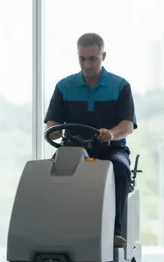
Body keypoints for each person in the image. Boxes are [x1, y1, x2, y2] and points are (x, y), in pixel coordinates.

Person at [45, 33, 137, 247]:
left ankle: (114, 231)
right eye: (82, 59)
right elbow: (52, 124)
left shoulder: (120, 86)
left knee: (120, 168)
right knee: (49, 172)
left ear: (103, 56)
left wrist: (111, 134)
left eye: (93, 59)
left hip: (110, 149)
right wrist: (54, 130)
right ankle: (55, 230)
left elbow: (127, 126)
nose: (87, 64)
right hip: (73, 150)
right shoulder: (64, 87)